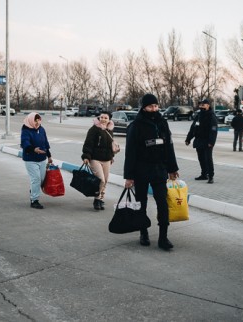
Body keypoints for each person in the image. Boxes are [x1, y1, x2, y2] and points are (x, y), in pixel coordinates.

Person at [124, 94, 179, 250]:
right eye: (150, 106)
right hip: (141, 170)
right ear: (143, 107)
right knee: (141, 203)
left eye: (155, 106)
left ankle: (163, 238)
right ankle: (143, 233)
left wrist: (172, 168)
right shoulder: (136, 125)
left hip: (159, 169)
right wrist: (129, 176)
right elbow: (130, 153)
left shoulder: (162, 123)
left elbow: (169, 146)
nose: (154, 109)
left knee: (162, 203)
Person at [82, 111, 116, 211]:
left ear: (109, 120)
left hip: (107, 159)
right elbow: (88, 144)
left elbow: (111, 146)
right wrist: (86, 157)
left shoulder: (110, 130)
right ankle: (97, 199)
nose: (103, 119)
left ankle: (100, 199)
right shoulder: (94, 129)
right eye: (101, 117)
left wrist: (111, 156)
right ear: (99, 118)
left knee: (105, 181)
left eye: (106, 118)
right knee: (101, 179)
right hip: (95, 159)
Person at [20, 112, 53, 209]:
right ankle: (34, 200)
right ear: (31, 120)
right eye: (35, 120)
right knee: (36, 179)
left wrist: (49, 156)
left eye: (39, 120)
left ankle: (33, 190)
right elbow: (24, 143)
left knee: (41, 180)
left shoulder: (42, 129)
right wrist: (33, 149)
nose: (38, 122)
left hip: (42, 159)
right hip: (30, 159)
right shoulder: (26, 130)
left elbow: (45, 143)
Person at [185, 99, 218, 184]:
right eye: (200, 105)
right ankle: (204, 174)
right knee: (201, 159)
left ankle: (211, 176)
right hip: (199, 140)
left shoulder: (211, 116)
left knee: (208, 159)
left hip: (207, 141)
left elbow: (213, 130)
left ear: (208, 105)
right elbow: (193, 128)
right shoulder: (199, 115)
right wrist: (188, 139)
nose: (201, 106)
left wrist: (211, 142)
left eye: (203, 105)